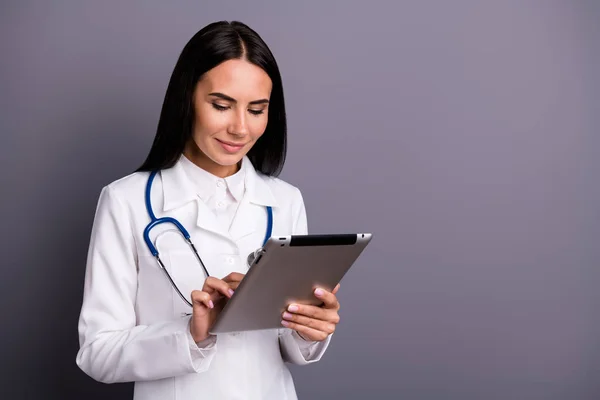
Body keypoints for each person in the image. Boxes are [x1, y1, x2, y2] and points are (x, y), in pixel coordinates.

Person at [75, 20, 341, 399]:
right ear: (187, 99)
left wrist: (309, 328)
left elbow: (289, 347)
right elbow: (97, 352)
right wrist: (191, 334)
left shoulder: (285, 201)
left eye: (256, 109)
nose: (239, 128)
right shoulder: (126, 201)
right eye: (221, 105)